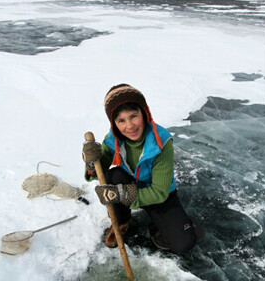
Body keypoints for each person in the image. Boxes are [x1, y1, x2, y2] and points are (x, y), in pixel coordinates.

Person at [82, 83, 197, 253]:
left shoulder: (161, 141)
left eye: (133, 116)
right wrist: (91, 162)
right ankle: (121, 223)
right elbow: (99, 171)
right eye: (121, 120)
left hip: (160, 194)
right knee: (113, 176)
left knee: (183, 244)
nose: (129, 126)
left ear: (144, 113)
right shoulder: (114, 137)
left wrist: (124, 194)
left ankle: (164, 223)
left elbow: (160, 192)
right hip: (131, 185)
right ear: (114, 123)